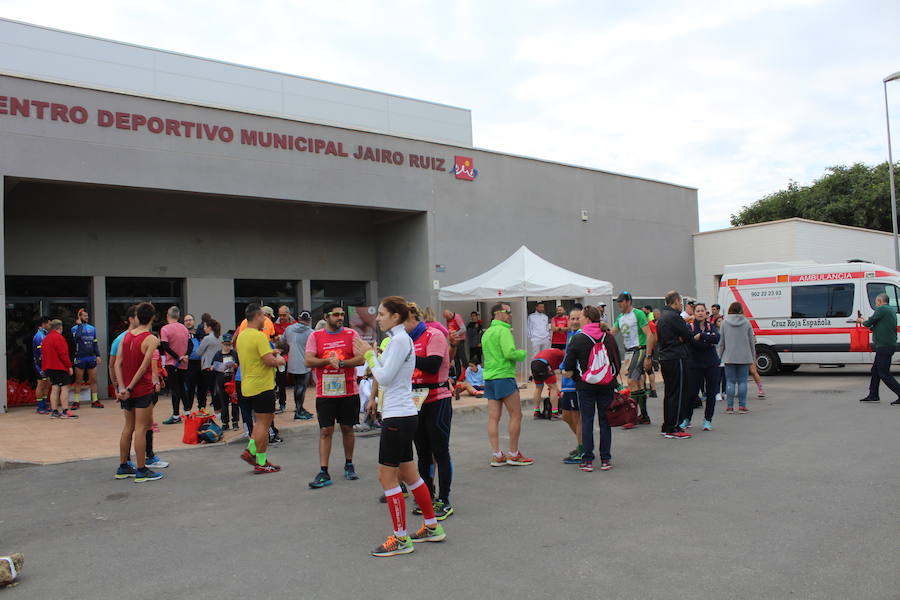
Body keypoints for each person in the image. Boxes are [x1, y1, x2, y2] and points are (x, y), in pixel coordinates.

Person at [356, 297, 446, 557]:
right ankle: (431, 526)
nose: (379, 318)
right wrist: (374, 356)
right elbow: (386, 373)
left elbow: (382, 376)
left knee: (387, 476)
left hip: (398, 416)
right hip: (402, 414)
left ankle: (400, 538)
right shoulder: (399, 339)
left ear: (396, 316)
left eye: (383, 313)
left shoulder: (398, 340)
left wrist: (369, 355)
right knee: (410, 474)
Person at [305, 303, 366, 488]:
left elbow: (361, 358)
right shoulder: (315, 336)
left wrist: (342, 364)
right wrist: (326, 361)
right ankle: (324, 471)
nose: (340, 317)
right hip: (325, 392)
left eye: (341, 314)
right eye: (336, 314)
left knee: (348, 428)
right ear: (326, 317)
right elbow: (308, 360)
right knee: (325, 431)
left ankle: (349, 464)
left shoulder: (351, 334)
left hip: (348, 390)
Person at [404, 304, 455, 519]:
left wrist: (404, 356)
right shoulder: (406, 340)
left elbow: (433, 364)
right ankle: (426, 495)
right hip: (415, 400)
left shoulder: (433, 335)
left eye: (401, 322)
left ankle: (444, 499)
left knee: (440, 451)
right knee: (422, 452)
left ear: (412, 318)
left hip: (437, 399)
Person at [562, 305, 620, 472]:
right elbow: (616, 361)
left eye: (580, 317)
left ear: (587, 319)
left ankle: (587, 460)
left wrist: (576, 377)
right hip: (606, 385)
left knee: (587, 420)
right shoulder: (608, 337)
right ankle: (605, 459)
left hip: (585, 385)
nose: (578, 319)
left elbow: (569, 364)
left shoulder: (578, 338)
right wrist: (610, 378)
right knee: (605, 421)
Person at [110, 304, 168, 471]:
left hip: (127, 389)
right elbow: (144, 367)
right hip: (141, 389)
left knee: (128, 427)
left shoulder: (125, 337)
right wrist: (128, 388)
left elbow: (117, 364)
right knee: (142, 429)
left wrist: (122, 387)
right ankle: (142, 469)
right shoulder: (151, 339)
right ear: (152, 318)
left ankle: (123, 466)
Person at [482, 302, 534, 466]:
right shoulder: (503, 331)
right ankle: (513, 453)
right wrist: (523, 353)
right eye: (508, 311)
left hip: (490, 377)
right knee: (516, 415)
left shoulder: (487, 332)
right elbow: (510, 353)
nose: (510, 314)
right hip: (504, 376)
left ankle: (497, 454)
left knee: (493, 418)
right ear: (498, 313)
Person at [236, 304, 285, 474]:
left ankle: (251, 450)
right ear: (257, 316)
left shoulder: (241, 336)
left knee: (260, 422)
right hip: (262, 385)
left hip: (247, 384)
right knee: (264, 424)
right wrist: (281, 359)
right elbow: (269, 360)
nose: (265, 319)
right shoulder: (259, 336)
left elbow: (256, 356)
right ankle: (260, 461)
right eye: (263, 316)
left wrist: (272, 353)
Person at [610, 291, 655, 427]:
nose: (619, 304)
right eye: (618, 302)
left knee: (631, 381)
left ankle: (631, 418)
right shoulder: (620, 317)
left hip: (639, 349)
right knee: (638, 384)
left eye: (621, 302)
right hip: (629, 353)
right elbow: (612, 333)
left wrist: (648, 355)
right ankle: (644, 416)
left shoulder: (638, 314)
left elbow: (650, 335)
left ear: (628, 301)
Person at [656, 291, 694, 439]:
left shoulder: (663, 317)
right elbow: (688, 335)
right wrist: (681, 339)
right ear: (676, 301)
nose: (681, 305)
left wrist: (680, 337)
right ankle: (674, 427)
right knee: (677, 393)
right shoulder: (674, 317)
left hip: (666, 357)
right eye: (680, 302)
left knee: (670, 393)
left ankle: (667, 426)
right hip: (675, 356)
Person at [682, 303, 720, 431]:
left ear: (706, 312)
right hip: (695, 364)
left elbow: (717, 338)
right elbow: (692, 343)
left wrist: (702, 336)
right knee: (692, 394)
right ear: (694, 313)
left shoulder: (711, 325)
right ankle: (687, 419)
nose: (700, 313)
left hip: (712, 364)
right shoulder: (690, 326)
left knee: (711, 393)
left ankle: (707, 420)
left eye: (702, 310)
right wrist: (707, 341)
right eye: (697, 311)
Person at [858, 292, 900, 405]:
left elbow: (868, 323)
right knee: (875, 371)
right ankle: (873, 395)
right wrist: (869, 324)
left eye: (876, 301)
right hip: (887, 345)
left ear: (880, 301)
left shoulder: (881, 310)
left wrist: (862, 321)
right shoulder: (890, 310)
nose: (876, 304)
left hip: (884, 346)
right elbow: (876, 327)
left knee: (884, 373)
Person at [718, 302, 756, 414]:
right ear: (741, 310)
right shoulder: (747, 322)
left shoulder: (724, 323)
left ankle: (730, 407)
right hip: (744, 357)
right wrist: (753, 357)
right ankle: (742, 407)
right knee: (743, 382)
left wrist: (719, 357)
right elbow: (751, 342)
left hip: (729, 356)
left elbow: (721, 343)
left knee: (730, 381)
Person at [559, 308, 584, 464]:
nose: (574, 321)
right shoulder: (570, 335)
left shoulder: (580, 336)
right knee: (566, 416)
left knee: (577, 418)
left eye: (577, 318)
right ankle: (584, 444)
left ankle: (582, 449)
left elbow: (576, 360)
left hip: (575, 382)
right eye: (572, 318)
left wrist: (565, 369)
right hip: (566, 383)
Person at [160, 307, 190, 424]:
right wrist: (185, 355)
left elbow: (165, 346)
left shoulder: (165, 329)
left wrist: (177, 357)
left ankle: (176, 415)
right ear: (178, 316)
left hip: (173, 363)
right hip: (184, 362)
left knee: (175, 389)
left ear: (168, 315)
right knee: (182, 387)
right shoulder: (184, 328)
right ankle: (187, 412)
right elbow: (190, 344)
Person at [42, 319, 77, 419]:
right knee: (65, 388)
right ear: (60, 327)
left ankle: (54, 411)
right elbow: (63, 354)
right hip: (59, 367)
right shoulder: (59, 338)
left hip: (49, 367)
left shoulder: (46, 339)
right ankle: (65, 410)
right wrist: (69, 366)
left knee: (55, 388)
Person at [283, 310, 314, 420]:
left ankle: (299, 409)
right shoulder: (311, 332)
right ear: (309, 320)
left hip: (292, 363)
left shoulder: (288, 329)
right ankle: (299, 411)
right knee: (301, 388)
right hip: (305, 364)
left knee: (297, 387)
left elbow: (283, 343)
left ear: (299, 318)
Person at [72, 307, 103, 409]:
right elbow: (77, 338)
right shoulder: (75, 328)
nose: (87, 317)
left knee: (93, 380)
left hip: (91, 357)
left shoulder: (92, 328)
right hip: (80, 357)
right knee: (78, 380)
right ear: (79, 317)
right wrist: (79, 325)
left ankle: (95, 400)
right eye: (85, 316)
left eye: (87, 316)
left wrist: (98, 355)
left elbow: (95, 343)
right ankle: (76, 401)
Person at [212, 332, 240, 430]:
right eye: (225, 345)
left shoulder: (234, 353)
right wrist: (218, 367)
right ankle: (225, 422)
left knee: (234, 401)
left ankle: (235, 421)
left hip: (232, 380)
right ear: (222, 344)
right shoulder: (218, 354)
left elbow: (238, 365)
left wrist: (234, 365)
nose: (227, 347)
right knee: (223, 402)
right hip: (222, 380)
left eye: (229, 345)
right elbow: (212, 366)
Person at [273, 305, 296, 413]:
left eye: (284, 315)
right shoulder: (275, 325)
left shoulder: (294, 324)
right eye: (280, 315)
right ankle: (282, 403)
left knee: (296, 381)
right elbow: (271, 338)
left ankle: (298, 405)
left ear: (288, 313)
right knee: (280, 382)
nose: (282, 317)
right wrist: (276, 339)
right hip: (279, 357)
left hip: (292, 356)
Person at [530, 347, 564, 419]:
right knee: (553, 388)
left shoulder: (552, 353)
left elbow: (553, 371)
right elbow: (565, 367)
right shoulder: (562, 354)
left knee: (538, 387)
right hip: (543, 364)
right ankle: (554, 413)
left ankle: (537, 412)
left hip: (534, 363)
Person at [197, 319, 221, 412]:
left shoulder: (207, 338)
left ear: (210, 327)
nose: (204, 328)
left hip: (207, 367)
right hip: (218, 367)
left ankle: (202, 408)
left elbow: (199, 352)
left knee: (204, 389)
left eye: (205, 326)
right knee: (216, 389)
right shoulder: (220, 337)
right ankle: (218, 410)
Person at [32, 316, 51, 414]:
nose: (50, 325)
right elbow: (42, 353)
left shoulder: (45, 334)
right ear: (43, 324)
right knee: (41, 384)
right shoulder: (39, 336)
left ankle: (44, 404)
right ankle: (40, 407)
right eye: (49, 323)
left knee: (47, 384)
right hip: (40, 364)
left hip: (46, 364)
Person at [183, 313, 202, 413]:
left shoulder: (200, 333)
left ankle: (201, 409)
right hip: (188, 364)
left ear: (194, 321)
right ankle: (187, 410)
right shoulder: (182, 333)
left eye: (190, 320)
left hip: (200, 363)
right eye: (186, 320)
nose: (188, 322)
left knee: (201, 388)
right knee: (189, 388)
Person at [443, 309, 467, 378]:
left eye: (447, 317)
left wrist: (455, 334)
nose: (447, 319)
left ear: (450, 314)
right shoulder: (448, 319)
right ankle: (458, 376)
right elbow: (449, 328)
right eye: (446, 318)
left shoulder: (457, 317)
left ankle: (468, 375)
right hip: (454, 341)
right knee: (456, 359)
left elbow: (463, 329)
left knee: (463, 358)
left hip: (460, 340)